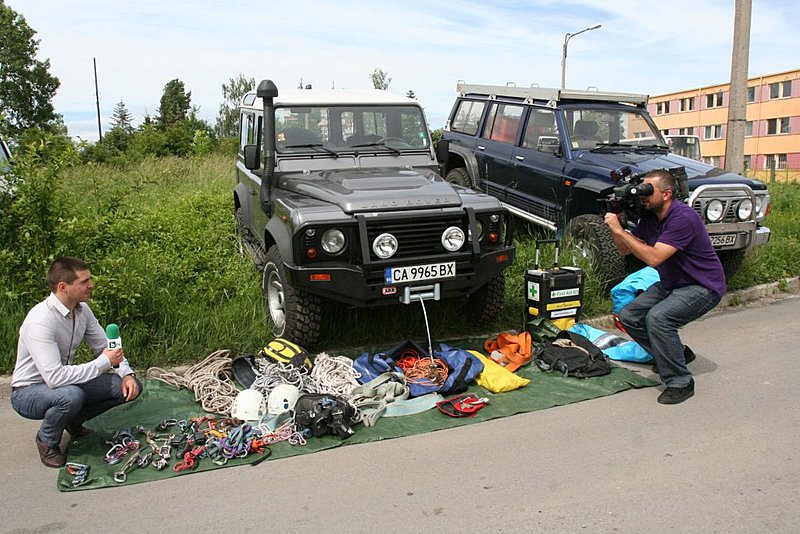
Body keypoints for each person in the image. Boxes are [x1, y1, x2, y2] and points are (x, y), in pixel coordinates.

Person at [604, 169, 726, 404]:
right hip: (673, 283)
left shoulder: (683, 218)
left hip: (702, 286)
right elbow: (625, 249)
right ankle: (676, 354)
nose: (643, 195)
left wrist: (620, 231)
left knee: (659, 319)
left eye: (648, 191)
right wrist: (617, 228)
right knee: (629, 315)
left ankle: (680, 381)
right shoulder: (651, 218)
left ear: (667, 194)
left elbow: (654, 258)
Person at [11, 256, 143, 467]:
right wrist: (104, 362)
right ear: (63, 287)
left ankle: (72, 420)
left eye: (90, 279)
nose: (91, 285)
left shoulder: (82, 310)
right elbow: (54, 378)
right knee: (71, 396)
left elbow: (105, 346)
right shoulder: (40, 321)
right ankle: (47, 440)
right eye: (84, 282)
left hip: (62, 382)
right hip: (28, 391)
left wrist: (127, 374)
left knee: (128, 387)